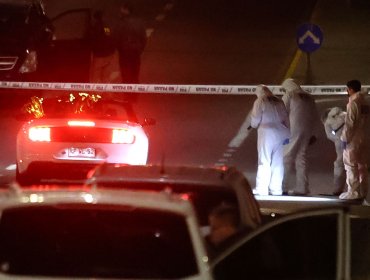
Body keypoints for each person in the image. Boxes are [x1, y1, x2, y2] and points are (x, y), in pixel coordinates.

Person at [281, 78, 320, 196]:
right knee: (301, 158)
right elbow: (315, 116)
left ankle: (282, 187)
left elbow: (282, 113)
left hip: (293, 129)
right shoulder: (309, 97)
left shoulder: (289, 95)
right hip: (307, 130)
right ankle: (302, 187)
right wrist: (315, 134)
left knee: (287, 157)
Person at [250, 85, 290, 196]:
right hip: (282, 132)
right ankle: (276, 189)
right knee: (278, 162)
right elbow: (286, 118)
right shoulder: (279, 101)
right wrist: (288, 134)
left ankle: (262, 189)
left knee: (264, 160)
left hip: (266, 132)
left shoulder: (260, 100)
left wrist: (254, 125)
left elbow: (255, 119)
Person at [339, 80, 369, 200]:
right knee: (362, 166)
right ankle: (363, 192)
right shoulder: (364, 102)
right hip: (364, 138)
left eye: (347, 89)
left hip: (354, 139)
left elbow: (350, 124)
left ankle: (353, 192)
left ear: (351, 89)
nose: (347, 91)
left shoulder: (353, 103)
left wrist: (344, 139)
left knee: (350, 165)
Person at [115, 1, 147, 83]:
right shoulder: (139, 22)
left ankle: (127, 93)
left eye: (122, 9)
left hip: (124, 52)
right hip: (136, 52)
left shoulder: (121, 23)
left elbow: (116, 38)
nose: (120, 10)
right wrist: (140, 50)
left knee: (125, 74)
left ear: (126, 10)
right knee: (135, 73)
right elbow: (143, 38)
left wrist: (119, 49)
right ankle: (135, 93)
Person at [89, 10, 122, 83]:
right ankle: (106, 91)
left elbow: (91, 39)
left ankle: (95, 92)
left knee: (96, 74)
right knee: (105, 74)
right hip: (108, 53)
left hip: (99, 54)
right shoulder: (106, 27)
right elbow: (109, 36)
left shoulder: (93, 27)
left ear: (95, 18)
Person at [321, 107, 347, 195]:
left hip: (341, 142)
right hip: (355, 140)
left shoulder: (327, 121)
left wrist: (337, 139)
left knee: (339, 164)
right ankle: (357, 190)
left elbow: (330, 135)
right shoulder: (345, 114)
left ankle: (337, 189)